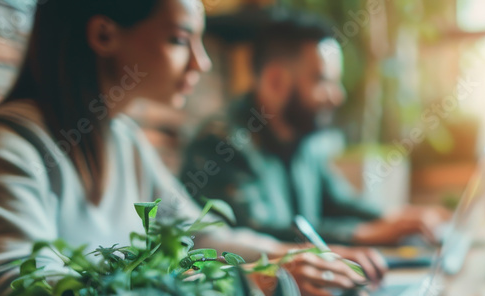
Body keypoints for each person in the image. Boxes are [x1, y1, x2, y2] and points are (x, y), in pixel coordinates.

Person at [0, 0, 387, 296]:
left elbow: (200, 235)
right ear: (103, 35)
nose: (202, 62)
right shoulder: (8, 144)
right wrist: (239, 285)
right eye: (179, 39)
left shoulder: (124, 140)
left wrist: (295, 258)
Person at [180, 15, 447, 247]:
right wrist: (359, 234)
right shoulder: (220, 144)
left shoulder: (301, 139)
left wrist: (395, 217)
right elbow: (253, 234)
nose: (338, 96)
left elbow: (338, 202)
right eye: (323, 81)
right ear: (275, 81)